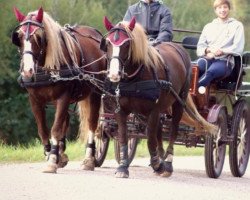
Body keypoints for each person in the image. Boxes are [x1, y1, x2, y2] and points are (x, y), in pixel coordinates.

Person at [196, 0, 245, 94]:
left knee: (210, 72)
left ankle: (194, 95)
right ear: (215, 10)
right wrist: (208, 49)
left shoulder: (237, 26)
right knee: (193, 68)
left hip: (225, 62)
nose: (222, 10)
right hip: (208, 58)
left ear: (229, 9)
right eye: (219, 7)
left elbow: (238, 48)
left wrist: (222, 51)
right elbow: (200, 48)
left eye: (225, 7)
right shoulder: (208, 26)